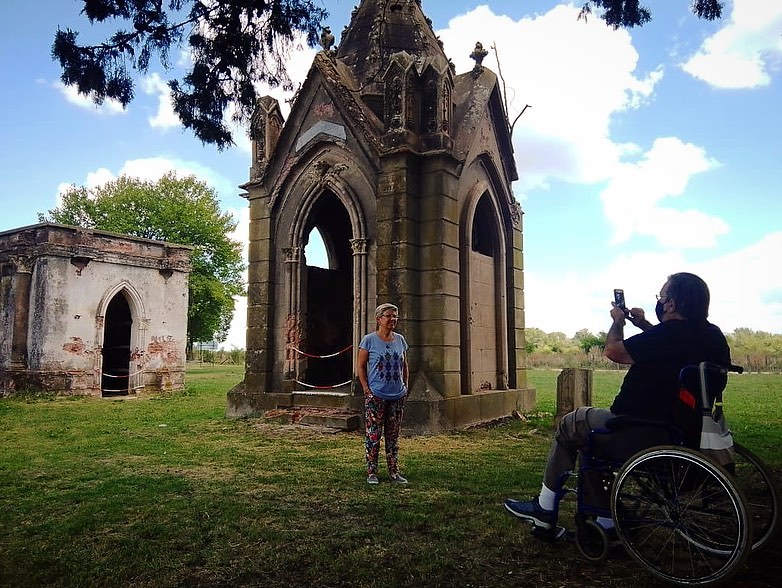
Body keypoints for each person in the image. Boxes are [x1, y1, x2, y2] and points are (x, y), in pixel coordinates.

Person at [503, 272, 731, 533]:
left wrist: (618, 322)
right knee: (590, 440)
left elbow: (614, 351)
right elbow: (673, 345)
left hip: (639, 430)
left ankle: (545, 509)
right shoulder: (712, 336)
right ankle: (604, 521)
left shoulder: (668, 335)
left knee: (571, 425)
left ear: (671, 304)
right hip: (686, 432)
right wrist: (644, 324)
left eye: (662, 296)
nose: (660, 301)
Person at [357, 303, 410, 485]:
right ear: (379, 319)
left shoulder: (400, 340)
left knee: (393, 436)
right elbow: (361, 367)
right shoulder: (369, 341)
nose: (393, 319)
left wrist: (405, 386)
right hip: (376, 395)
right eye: (389, 316)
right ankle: (372, 472)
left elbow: (404, 365)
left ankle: (394, 472)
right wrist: (366, 389)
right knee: (373, 435)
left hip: (397, 395)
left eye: (395, 316)